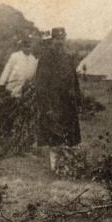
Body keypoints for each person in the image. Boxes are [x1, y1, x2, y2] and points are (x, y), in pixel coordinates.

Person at [32, 27, 82, 171]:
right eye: (57, 39)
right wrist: (46, 106)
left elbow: (74, 79)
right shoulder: (46, 57)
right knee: (54, 136)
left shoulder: (67, 57)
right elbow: (40, 84)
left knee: (70, 136)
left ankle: (67, 165)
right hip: (54, 102)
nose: (60, 42)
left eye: (62, 38)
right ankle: (55, 167)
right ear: (52, 40)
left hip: (68, 103)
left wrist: (77, 98)